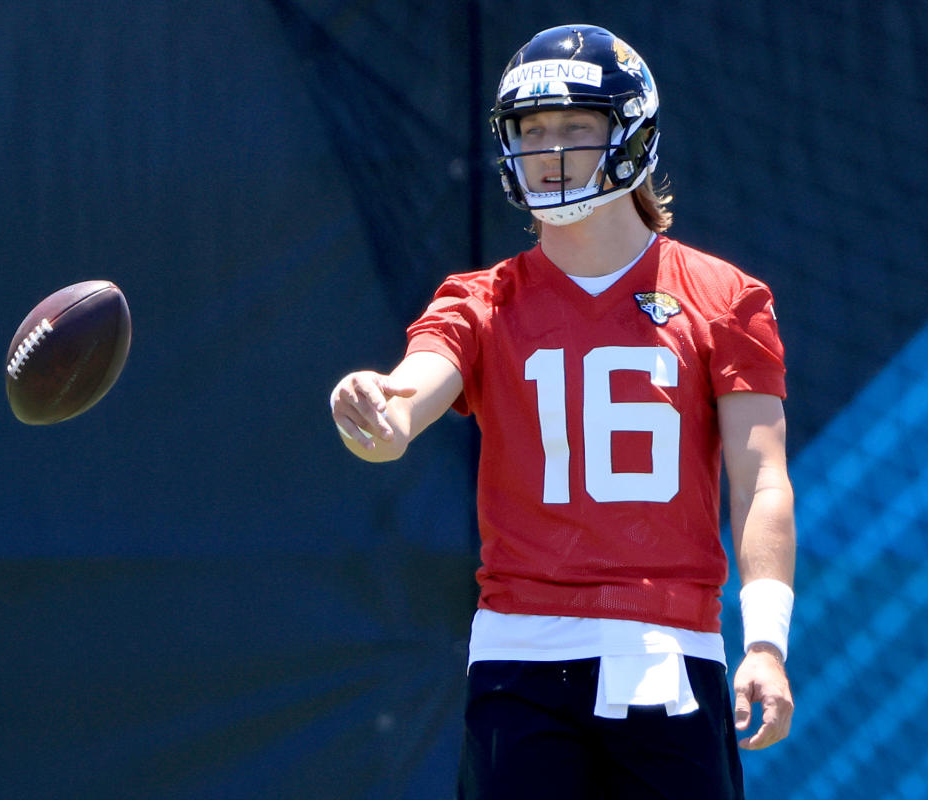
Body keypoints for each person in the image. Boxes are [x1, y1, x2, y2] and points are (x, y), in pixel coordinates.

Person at [330, 24, 795, 800]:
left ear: (631, 134)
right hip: (523, 654)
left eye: (575, 127)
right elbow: (409, 400)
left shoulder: (724, 299)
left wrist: (768, 645)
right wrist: (376, 407)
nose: (548, 150)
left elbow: (762, 482)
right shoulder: (480, 300)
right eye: (531, 130)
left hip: (669, 645)